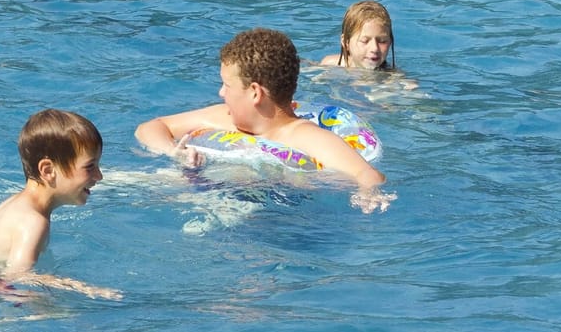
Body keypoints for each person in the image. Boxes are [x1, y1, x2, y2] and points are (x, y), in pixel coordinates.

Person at [135, 28, 390, 211]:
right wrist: (173, 152)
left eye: (226, 85)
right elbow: (151, 127)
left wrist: (368, 194)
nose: (221, 93)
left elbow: (367, 174)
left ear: (255, 92)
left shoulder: (304, 136)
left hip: (276, 215)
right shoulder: (224, 118)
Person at [0, 109, 115, 299]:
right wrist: (83, 288)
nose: (99, 176)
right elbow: (19, 276)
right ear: (48, 170)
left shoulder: (16, 204)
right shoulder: (33, 222)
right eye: (89, 167)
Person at [320, 1, 397, 71]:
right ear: (346, 42)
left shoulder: (392, 79)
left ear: (390, 42)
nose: (375, 48)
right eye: (365, 41)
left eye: (382, 41)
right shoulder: (330, 64)